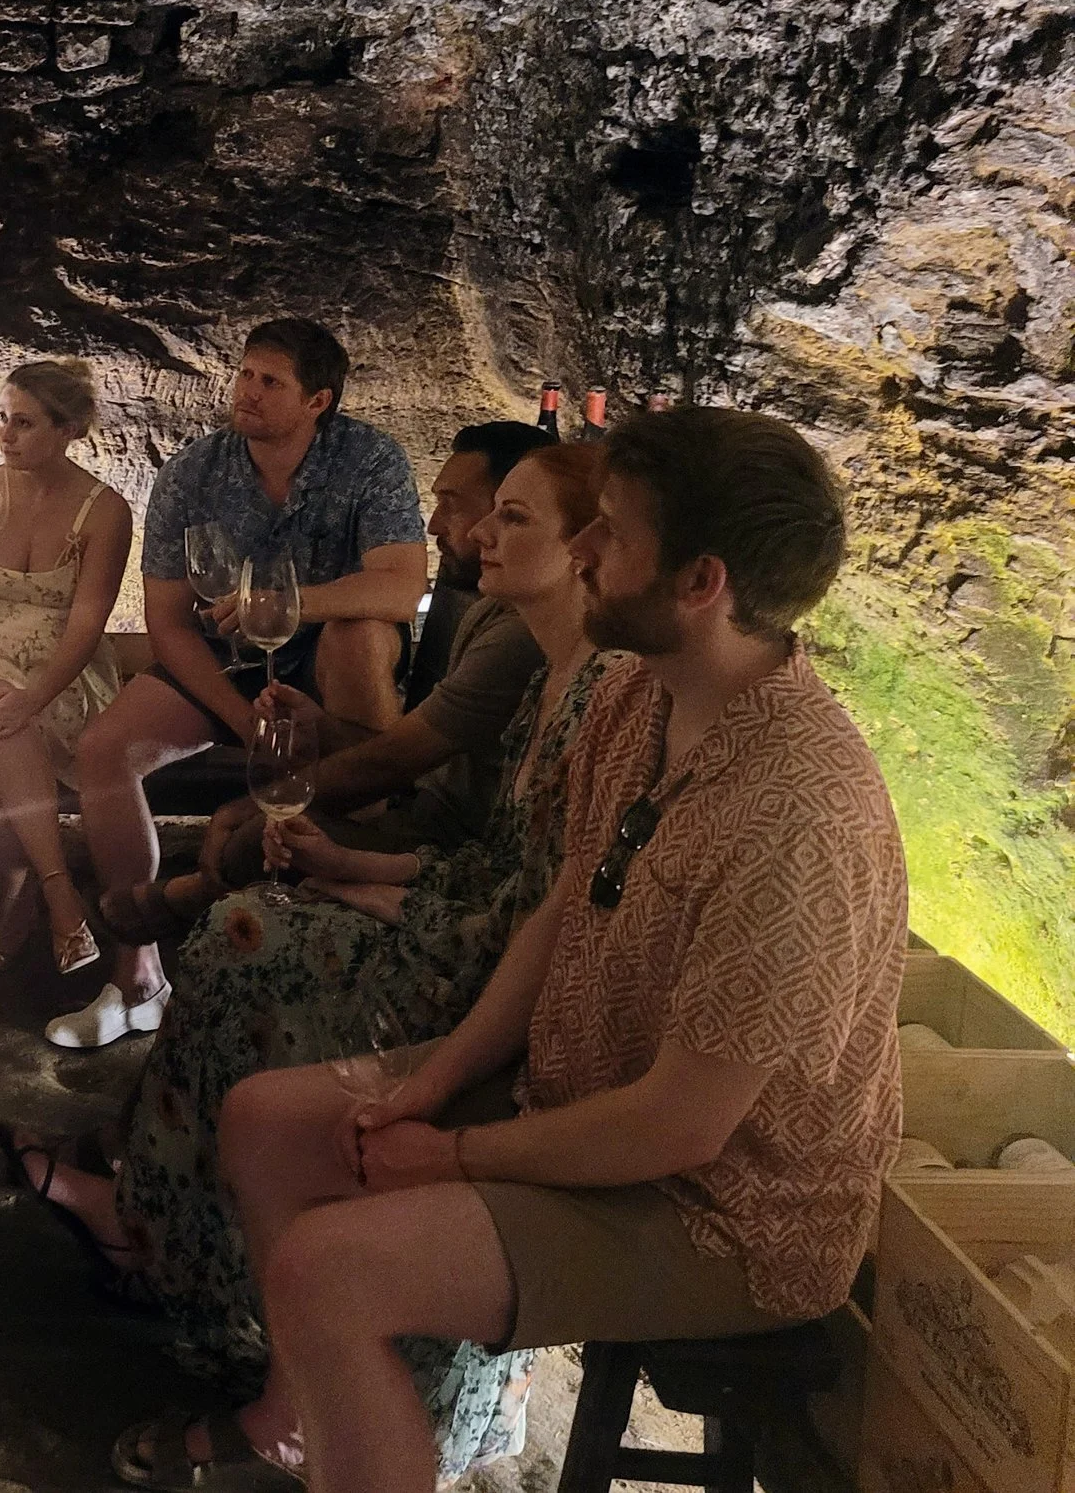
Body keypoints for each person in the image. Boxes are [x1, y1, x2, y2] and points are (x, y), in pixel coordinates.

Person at [139, 407, 903, 1493]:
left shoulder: (794, 816)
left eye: (613, 532)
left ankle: (362, 1442)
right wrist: (434, 1086)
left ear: (701, 582)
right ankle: (311, 1419)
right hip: (572, 1087)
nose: (583, 548)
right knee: (267, 1120)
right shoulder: (640, 697)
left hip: (720, 1211)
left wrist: (452, 1153)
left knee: (329, 1273)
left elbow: (682, 1126)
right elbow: (562, 914)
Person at [3, 442, 614, 1484]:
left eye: (504, 519)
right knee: (244, 925)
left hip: (483, 971)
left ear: (592, 550)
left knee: (244, 930)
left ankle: (165, 1230)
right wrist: (345, 854)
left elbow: (517, 891)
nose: (462, 532)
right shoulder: (541, 650)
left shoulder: (592, 681)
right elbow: (495, 863)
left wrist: (356, 872)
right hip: (461, 912)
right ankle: (161, 1219)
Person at [66, 319, 427, 1048]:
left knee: (360, 640)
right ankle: (138, 978)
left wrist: (288, 606)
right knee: (103, 749)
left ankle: (344, 937)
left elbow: (403, 585)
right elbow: (168, 623)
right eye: (245, 375)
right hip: (223, 664)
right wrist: (241, 719)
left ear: (318, 400)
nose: (248, 392)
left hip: (329, 655)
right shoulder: (193, 473)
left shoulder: (370, 461)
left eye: (271, 382)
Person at [102, 421, 554, 946]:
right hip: (426, 801)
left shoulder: (517, 635)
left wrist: (254, 802)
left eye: (455, 504)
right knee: (129, 757)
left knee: (257, 837)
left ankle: (193, 898)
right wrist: (323, 729)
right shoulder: (491, 609)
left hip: (448, 837)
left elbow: (396, 761)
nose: (435, 526)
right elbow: (414, 751)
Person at [0, 360, 132, 983]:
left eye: (24, 423)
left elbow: (87, 627)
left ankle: (22, 901)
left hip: (61, 670)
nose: (5, 436)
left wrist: (37, 696)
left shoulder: (104, 512)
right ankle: (63, 894)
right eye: (1, 419)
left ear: (68, 429)